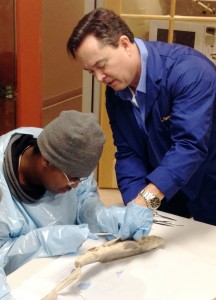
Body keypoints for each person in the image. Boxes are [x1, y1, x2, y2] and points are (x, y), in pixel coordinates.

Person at [67, 8, 216, 227]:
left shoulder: (191, 72)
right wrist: (133, 204)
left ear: (125, 43)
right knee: (159, 246)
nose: (99, 78)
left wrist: (145, 200)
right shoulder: (116, 90)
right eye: (92, 72)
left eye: (101, 65)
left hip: (208, 180)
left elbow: (189, 147)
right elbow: (128, 152)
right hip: (168, 183)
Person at [0, 110, 134, 299]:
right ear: (46, 161)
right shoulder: (3, 188)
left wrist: (103, 217)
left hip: (64, 266)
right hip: (21, 282)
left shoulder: (58, 145)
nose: (75, 186)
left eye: (81, 178)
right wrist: (44, 241)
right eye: (71, 178)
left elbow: (83, 196)